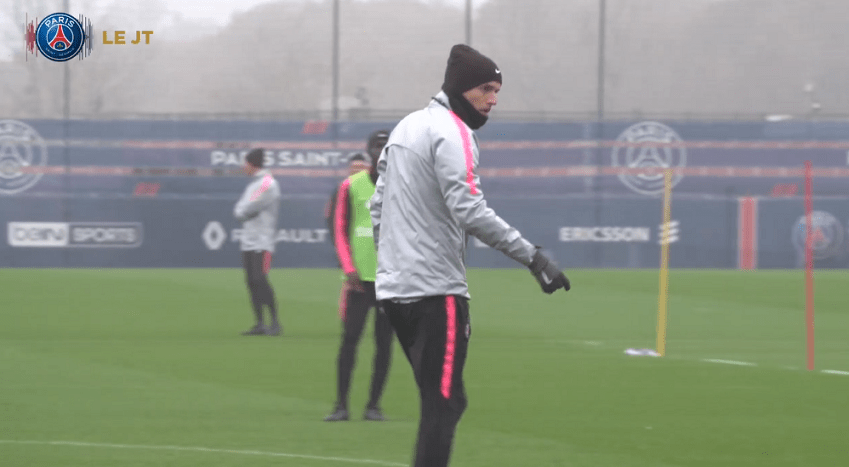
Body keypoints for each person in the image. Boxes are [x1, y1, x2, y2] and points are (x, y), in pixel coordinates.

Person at [369, 44, 570, 467]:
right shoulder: (454, 132)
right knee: (443, 404)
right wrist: (533, 258)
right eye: (487, 89)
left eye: (497, 90)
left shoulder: (406, 127)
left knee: (444, 400)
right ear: (462, 89)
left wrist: (393, 265)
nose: (493, 99)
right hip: (436, 294)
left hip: (394, 293)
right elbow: (469, 209)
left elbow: (377, 206)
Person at [324, 130, 394, 422]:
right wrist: (348, 267)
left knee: (384, 344)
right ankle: (341, 405)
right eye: (375, 146)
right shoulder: (350, 186)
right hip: (358, 280)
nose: (379, 151)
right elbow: (339, 229)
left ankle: (373, 406)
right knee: (350, 340)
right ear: (368, 151)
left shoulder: (403, 186)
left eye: (384, 146)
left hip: (392, 280)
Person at [234, 148, 282, 336]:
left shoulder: (267, 184)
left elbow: (247, 207)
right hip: (249, 240)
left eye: (245, 163)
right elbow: (242, 206)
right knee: (251, 282)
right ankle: (260, 323)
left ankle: (275, 322)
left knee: (259, 279)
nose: (243, 166)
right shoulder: (253, 184)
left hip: (262, 241)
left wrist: (240, 213)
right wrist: (241, 211)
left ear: (252, 164)